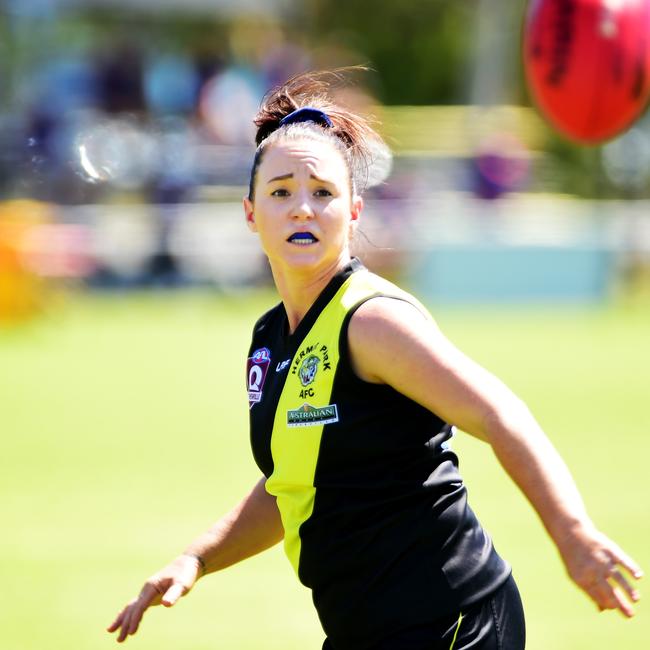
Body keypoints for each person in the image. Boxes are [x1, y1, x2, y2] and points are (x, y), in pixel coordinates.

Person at [107, 69, 643, 650]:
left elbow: (501, 415)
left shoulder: (373, 321)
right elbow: (295, 483)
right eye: (282, 192)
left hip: (451, 622)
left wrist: (572, 533)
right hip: (368, 631)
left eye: (323, 192)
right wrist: (196, 559)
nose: (303, 209)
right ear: (250, 212)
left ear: (355, 211)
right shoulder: (268, 340)